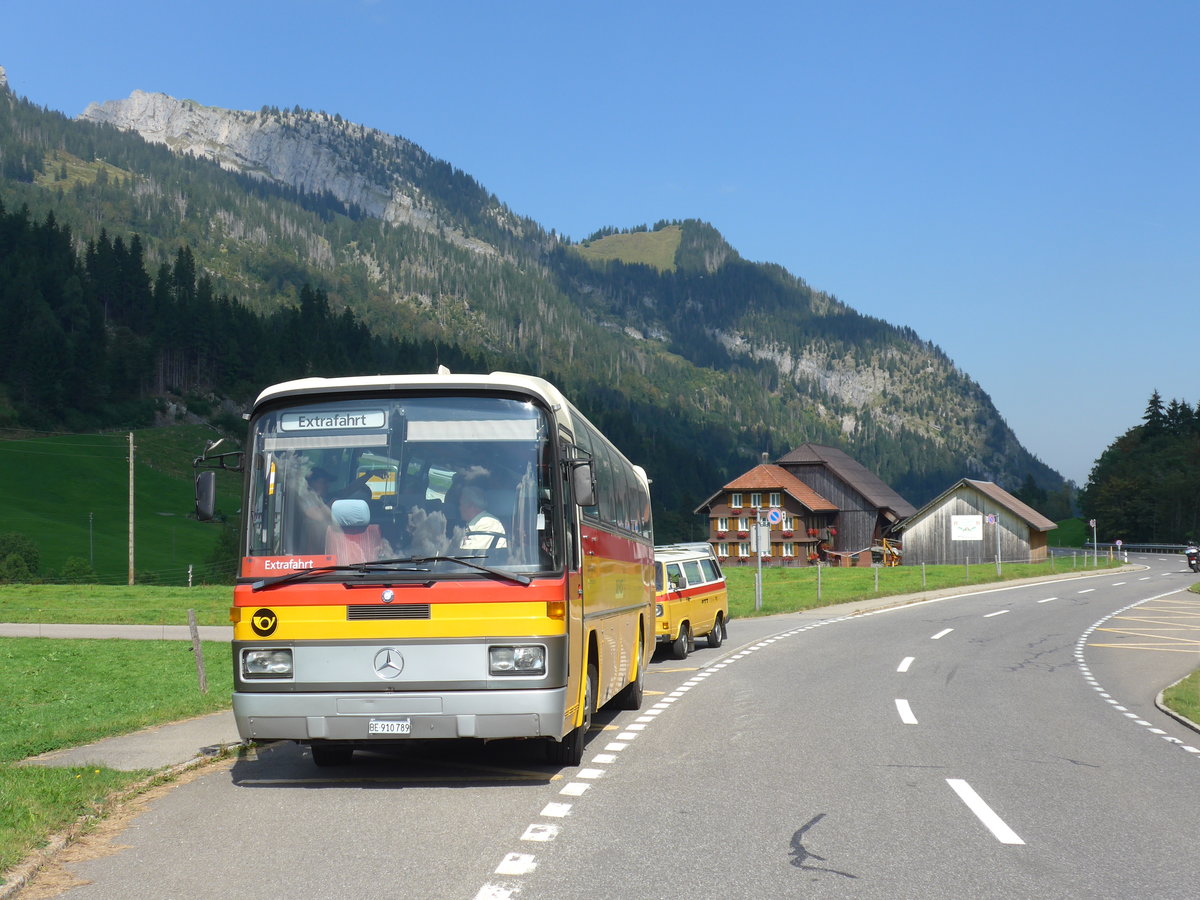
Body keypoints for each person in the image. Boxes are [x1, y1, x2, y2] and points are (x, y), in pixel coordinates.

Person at [457, 484, 507, 552]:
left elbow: (471, 554)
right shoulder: (475, 523)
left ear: (471, 506)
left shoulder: (489, 523)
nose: (460, 508)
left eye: (461, 504)